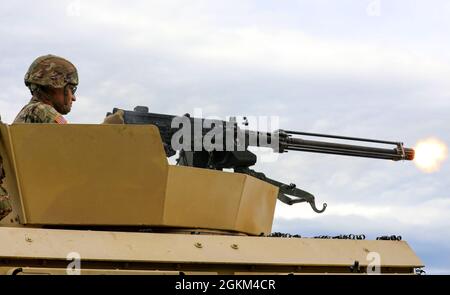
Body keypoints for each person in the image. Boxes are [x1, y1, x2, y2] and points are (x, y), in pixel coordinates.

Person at [14, 54, 78, 124]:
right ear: (53, 88)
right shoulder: (43, 110)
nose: (73, 98)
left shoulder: (30, 110)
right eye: (71, 89)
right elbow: (68, 133)